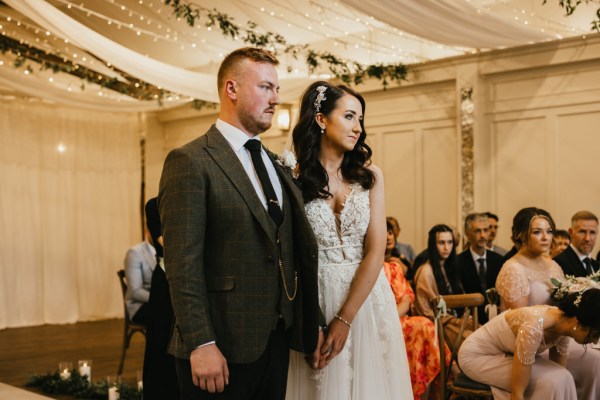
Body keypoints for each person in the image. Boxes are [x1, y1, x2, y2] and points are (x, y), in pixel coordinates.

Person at [158, 47, 322, 400]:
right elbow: (182, 264)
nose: (276, 99)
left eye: (277, 89)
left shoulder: (275, 164)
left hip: (276, 343)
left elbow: (291, 248)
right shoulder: (190, 161)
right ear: (231, 89)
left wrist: (310, 323)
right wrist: (202, 342)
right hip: (220, 348)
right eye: (266, 87)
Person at [286, 81, 413, 399]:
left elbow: (375, 251)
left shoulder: (371, 177)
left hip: (369, 299)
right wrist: (312, 321)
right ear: (321, 119)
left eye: (360, 119)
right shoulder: (293, 178)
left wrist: (344, 319)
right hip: (318, 297)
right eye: (349, 117)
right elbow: (292, 256)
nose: (358, 128)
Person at [495, 206, 600, 399]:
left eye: (549, 231)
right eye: (537, 232)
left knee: (596, 360)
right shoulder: (513, 269)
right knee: (594, 359)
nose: (546, 237)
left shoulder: (553, 266)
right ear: (520, 235)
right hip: (531, 342)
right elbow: (520, 324)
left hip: (555, 336)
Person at [458, 286, 600, 400]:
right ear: (578, 322)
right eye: (594, 335)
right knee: (553, 381)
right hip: (477, 356)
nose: (595, 341)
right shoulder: (535, 325)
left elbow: (560, 369)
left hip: (505, 352)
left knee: (563, 377)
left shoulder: (564, 324)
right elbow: (518, 393)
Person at [383, 221, 449, 400]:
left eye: (390, 232)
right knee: (423, 325)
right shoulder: (372, 268)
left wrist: (392, 318)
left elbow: (406, 298)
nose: (388, 236)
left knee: (423, 326)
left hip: (397, 318)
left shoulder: (395, 266)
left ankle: (428, 391)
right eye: (384, 232)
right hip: (379, 321)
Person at [142, 197, 179, 400]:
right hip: (165, 282)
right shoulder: (154, 205)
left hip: (196, 280)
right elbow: (167, 242)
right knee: (160, 343)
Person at [457, 213, 504, 323]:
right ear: (468, 234)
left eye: (485, 230)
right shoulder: (458, 262)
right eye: (478, 231)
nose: (483, 235)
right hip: (469, 321)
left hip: (495, 321)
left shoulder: (499, 260)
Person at [413, 224, 464, 318]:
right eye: (441, 242)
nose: (446, 247)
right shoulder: (426, 271)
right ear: (433, 245)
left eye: (450, 242)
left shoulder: (449, 266)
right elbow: (425, 310)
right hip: (438, 322)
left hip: (453, 318)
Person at [124, 228, 156, 324]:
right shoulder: (134, 253)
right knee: (165, 313)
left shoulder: (169, 252)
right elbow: (135, 291)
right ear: (147, 231)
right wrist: (160, 299)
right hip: (140, 305)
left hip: (161, 303)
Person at [554, 211, 599, 277]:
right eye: (582, 231)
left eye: (592, 232)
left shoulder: (597, 265)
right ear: (571, 232)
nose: (587, 238)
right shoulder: (558, 263)